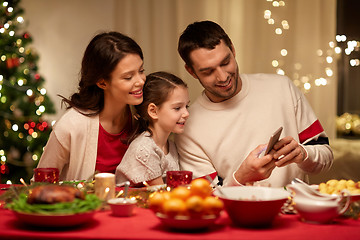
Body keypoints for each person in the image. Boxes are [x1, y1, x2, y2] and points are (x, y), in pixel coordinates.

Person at [175, 20, 333, 187]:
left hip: (293, 210)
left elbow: (326, 156)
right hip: (238, 213)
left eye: (225, 62)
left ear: (233, 50)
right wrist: (241, 178)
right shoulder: (188, 126)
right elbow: (205, 200)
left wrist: (303, 154)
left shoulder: (281, 87)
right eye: (208, 71)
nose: (222, 77)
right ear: (191, 71)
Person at [36, 31, 146, 181]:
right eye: (128, 77)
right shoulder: (71, 126)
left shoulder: (143, 115)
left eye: (141, 71)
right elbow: (41, 184)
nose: (140, 81)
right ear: (102, 83)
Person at [115, 71, 190, 186]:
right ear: (153, 111)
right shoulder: (144, 149)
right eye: (177, 108)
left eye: (186, 106)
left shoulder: (171, 145)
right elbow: (159, 193)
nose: (186, 113)